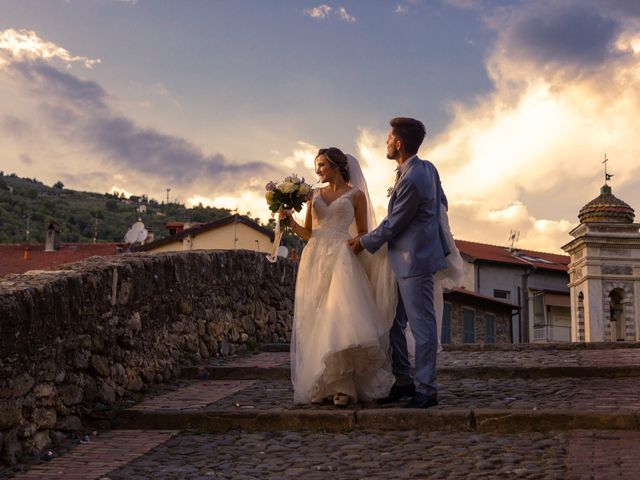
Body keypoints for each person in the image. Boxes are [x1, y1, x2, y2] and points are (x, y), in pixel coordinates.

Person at [348, 117, 449, 408]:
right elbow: (442, 202)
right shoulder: (425, 168)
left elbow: (394, 223)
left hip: (414, 261)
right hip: (403, 259)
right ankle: (403, 380)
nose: (386, 142)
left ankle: (427, 389)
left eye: (389, 138)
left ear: (399, 143)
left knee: (422, 326)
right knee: (393, 321)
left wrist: (362, 242)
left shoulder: (414, 179)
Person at [284, 147, 396, 406]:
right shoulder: (313, 195)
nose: (317, 170)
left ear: (336, 166)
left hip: (342, 257)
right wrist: (289, 220)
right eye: (317, 165)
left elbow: (363, 232)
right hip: (314, 257)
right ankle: (322, 383)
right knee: (316, 316)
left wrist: (352, 248)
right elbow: (308, 233)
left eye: (322, 165)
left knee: (339, 317)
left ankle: (344, 386)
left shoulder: (356, 195)